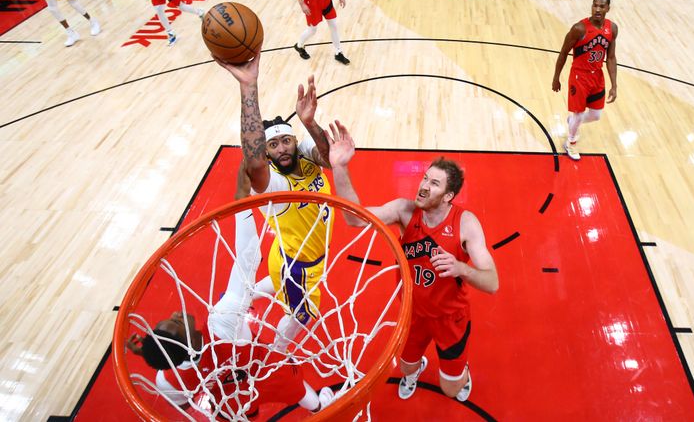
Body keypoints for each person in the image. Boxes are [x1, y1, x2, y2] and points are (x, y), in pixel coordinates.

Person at [125, 178, 335, 417]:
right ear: (188, 344)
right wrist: (242, 200)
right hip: (267, 372)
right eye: (176, 324)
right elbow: (248, 256)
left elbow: (183, 400)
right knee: (298, 391)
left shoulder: (168, 378)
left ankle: (310, 407)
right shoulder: (223, 322)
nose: (176, 314)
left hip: (232, 400)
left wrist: (149, 353)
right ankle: (320, 408)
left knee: (244, 412)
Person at [326, 123, 499, 402]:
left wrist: (461, 268)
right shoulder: (404, 211)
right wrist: (340, 167)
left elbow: (492, 283)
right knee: (405, 367)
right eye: (424, 178)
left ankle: (460, 371)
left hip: (450, 318)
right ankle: (416, 369)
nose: (423, 186)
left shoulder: (466, 224)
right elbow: (354, 218)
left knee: (451, 389)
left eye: (434, 183)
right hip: (413, 313)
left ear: (448, 196)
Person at [215, 51, 342, 353]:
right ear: (267, 152)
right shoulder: (275, 185)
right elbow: (254, 163)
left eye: (286, 141)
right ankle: (278, 350)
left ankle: (241, 298)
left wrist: (309, 122)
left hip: (288, 254)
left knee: (276, 281)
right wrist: (248, 88)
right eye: (273, 145)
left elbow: (330, 158)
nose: (282, 149)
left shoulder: (304, 152)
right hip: (297, 266)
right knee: (302, 316)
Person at [552, 0, 618, 161]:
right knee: (579, 113)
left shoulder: (612, 29)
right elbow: (563, 53)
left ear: (608, 9)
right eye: (595, 5)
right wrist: (556, 77)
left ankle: (573, 120)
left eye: (602, 6)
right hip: (579, 76)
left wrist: (614, 85)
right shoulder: (579, 29)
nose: (597, 9)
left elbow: (610, 57)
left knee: (596, 115)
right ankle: (571, 142)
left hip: (597, 76)